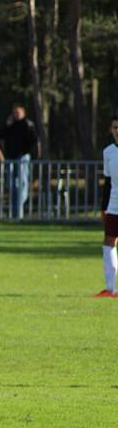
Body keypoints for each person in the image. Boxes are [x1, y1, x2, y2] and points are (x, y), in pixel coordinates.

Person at [0, 104, 37, 220]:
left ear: (23, 113)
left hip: (22, 158)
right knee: (11, 184)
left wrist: (24, 152)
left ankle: (19, 210)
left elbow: (33, 140)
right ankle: (15, 211)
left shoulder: (27, 124)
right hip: (10, 157)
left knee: (22, 183)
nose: (15, 115)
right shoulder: (11, 125)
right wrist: (7, 125)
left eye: (18, 113)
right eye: (14, 113)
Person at [95, 116, 118, 298]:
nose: (117, 131)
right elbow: (108, 182)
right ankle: (110, 289)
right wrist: (104, 207)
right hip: (114, 205)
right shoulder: (108, 152)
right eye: (115, 127)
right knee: (109, 242)